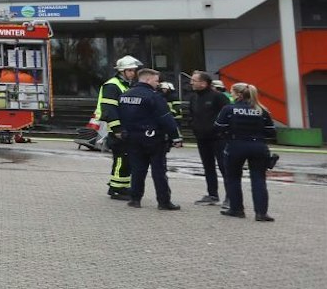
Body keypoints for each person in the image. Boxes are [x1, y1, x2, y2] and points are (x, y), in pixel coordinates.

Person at [118, 67, 181, 210]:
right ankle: (164, 202)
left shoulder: (125, 95)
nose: (158, 84)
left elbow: (121, 116)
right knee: (158, 171)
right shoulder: (154, 97)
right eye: (156, 80)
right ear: (147, 79)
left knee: (137, 170)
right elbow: (166, 118)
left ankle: (135, 199)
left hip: (132, 137)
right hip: (153, 138)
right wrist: (175, 137)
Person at [215, 83, 277, 222]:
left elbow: (218, 127)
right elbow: (271, 131)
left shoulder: (229, 109)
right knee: (259, 179)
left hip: (235, 145)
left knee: (233, 178)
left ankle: (236, 209)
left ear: (238, 95)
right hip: (258, 146)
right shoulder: (262, 110)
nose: (231, 95)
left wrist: (227, 135)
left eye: (232, 93)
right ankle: (261, 213)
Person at [96, 55, 140, 200]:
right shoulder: (112, 85)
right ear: (122, 71)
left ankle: (121, 186)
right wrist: (117, 130)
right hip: (119, 129)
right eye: (130, 70)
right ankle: (116, 188)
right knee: (121, 159)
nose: (133, 73)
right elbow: (109, 110)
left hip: (127, 128)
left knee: (126, 159)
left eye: (134, 70)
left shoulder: (127, 84)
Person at [184, 71, 229, 206]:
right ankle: (212, 194)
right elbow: (192, 115)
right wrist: (193, 126)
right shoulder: (194, 98)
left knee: (224, 167)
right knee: (208, 167)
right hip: (202, 138)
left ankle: (231, 196)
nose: (191, 82)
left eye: (194, 80)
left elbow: (227, 114)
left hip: (218, 138)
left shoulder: (218, 97)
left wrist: (222, 132)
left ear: (204, 83)